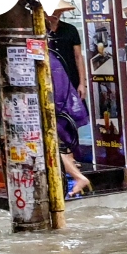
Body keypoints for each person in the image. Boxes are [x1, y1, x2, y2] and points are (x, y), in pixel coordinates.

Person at [50, 51, 92, 198]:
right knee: (56, 145)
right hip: (59, 105)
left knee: (51, 145)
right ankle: (77, 176)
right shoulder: (51, 58)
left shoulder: (47, 59)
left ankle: (78, 177)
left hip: (55, 106)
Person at [46, 0, 86, 102]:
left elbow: (78, 57)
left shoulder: (70, 30)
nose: (57, 15)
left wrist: (82, 83)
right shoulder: (39, 32)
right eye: (54, 12)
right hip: (49, 79)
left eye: (59, 12)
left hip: (71, 78)